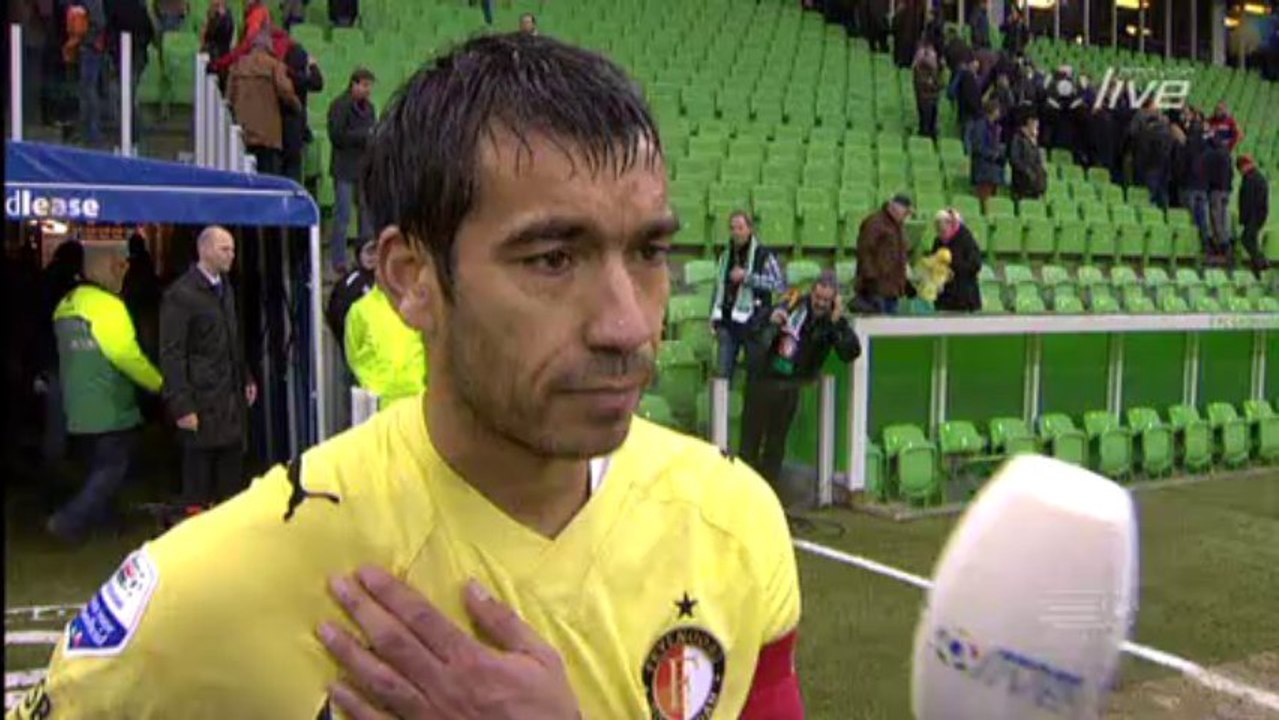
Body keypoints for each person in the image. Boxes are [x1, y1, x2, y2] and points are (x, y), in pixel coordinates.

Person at [16, 33, 804, 720]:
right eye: (552, 259)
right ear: (410, 276)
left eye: (647, 253)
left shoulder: (732, 524)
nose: (629, 324)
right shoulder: (209, 591)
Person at [46, 243, 163, 544]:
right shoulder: (108, 306)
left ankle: (105, 524)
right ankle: (68, 520)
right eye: (119, 265)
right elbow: (125, 355)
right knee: (112, 468)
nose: (124, 271)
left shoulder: (66, 304)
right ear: (105, 267)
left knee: (95, 467)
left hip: (77, 405)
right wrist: (159, 384)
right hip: (109, 404)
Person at [159, 226, 256, 510]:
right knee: (199, 481)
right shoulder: (181, 295)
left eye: (233, 250)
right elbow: (172, 354)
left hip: (229, 400)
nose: (232, 256)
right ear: (204, 250)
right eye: (224, 249)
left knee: (230, 478)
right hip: (200, 403)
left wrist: (246, 376)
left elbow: (231, 338)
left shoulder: (225, 289)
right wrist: (182, 405)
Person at [739, 271, 860, 497]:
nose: (821, 304)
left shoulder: (832, 323)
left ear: (834, 301)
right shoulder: (791, 304)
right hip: (763, 380)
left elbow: (850, 352)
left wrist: (836, 324)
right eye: (817, 297)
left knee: (775, 447)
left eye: (826, 300)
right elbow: (752, 329)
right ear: (811, 292)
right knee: (750, 444)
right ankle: (742, 495)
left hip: (789, 388)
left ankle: (767, 497)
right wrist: (770, 320)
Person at [710, 210, 786, 383]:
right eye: (732, 228)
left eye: (740, 228)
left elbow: (778, 284)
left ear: (750, 229)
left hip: (755, 323)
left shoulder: (763, 255)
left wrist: (748, 278)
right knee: (723, 375)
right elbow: (718, 287)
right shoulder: (724, 255)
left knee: (755, 376)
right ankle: (722, 408)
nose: (736, 232)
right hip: (727, 322)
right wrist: (712, 314)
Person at [226, 27, 301, 175]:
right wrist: (297, 106)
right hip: (268, 133)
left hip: (243, 131)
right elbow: (286, 91)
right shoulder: (274, 65)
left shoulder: (237, 66)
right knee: (268, 176)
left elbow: (229, 97)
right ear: (269, 47)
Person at [344, 283, 428, 409]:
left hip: (417, 400)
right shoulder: (361, 310)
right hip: (379, 404)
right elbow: (353, 355)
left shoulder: (422, 307)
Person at [327, 67, 377, 274]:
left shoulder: (370, 109)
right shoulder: (340, 105)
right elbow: (336, 136)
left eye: (369, 87)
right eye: (364, 85)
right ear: (354, 84)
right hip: (344, 168)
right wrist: (364, 135)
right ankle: (338, 261)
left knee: (366, 217)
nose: (367, 90)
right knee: (343, 215)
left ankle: (365, 259)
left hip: (363, 168)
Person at [854, 194, 912, 314]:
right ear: (896, 208)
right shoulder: (874, 223)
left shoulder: (898, 226)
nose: (907, 216)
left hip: (892, 288)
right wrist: (871, 279)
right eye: (905, 212)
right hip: (876, 288)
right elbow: (864, 252)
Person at [281, 37, 324, 182]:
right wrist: (313, 65)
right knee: (294, 169)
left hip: (281, 127)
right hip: (296, 126)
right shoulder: (299, 78)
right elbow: (318, 83)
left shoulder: (283, 75)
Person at [325, 238, 376, 348]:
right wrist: (349, 340)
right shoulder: (351, 283)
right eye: (368, 252)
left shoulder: (388, 280)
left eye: (375, 252)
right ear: (359, 255)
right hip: (359, 348)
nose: (372, 257)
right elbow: (336, 313)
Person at [930, 209, 982, 312]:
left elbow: (976, 265)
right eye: (938, 231)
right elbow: (934, 263)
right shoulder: (938, 241)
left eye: (943, 230)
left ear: (951, 224)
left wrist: (952, 267)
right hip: (944, 298)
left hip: (965, 296)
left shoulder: (966, 238)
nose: (941, 234)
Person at [967, 101, 1005, 212]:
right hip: (983, 170)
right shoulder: (980, 125)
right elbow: (978, 147)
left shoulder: (995, 128)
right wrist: (993, 154)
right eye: (998, 110)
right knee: (984, 202)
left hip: (993, 172)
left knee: (993, 204)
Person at [1236, 155, 1271, 273]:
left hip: (1254, 215)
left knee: (1246, 238)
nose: (1240, 172)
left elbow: (1248, 200)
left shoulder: (1250, 178)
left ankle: (1261, 261)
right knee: (1252, 239)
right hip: (1259, 214)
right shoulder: (1258, 176)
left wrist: (1245, 218)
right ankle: (1257, 266)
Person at [1204, 135, 1233, 265]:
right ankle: (1225, 242)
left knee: (1216, 218)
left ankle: (1221, 245)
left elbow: (1208, 173)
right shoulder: (1227, 154)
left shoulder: (1211, 155)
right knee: (1224, 216)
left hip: (1215, 190)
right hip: (1226, 189)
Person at [1009, 114, 1046, 201]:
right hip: (1022, 183)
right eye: (1035, 126)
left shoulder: (1034, 142)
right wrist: (1027, 171)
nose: (1037, 130)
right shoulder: (1018, 139)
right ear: (1029, 125)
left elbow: (1038, 162)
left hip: (1034, 185)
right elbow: (1015, 159)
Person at [912, 40, 942, 140]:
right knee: (926, 124)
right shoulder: (922, 70)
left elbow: (938, 84)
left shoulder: (933, 70)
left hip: (930, 99)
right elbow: (928, 85)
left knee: (931, 123)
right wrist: (935, 85)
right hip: (926, 99)